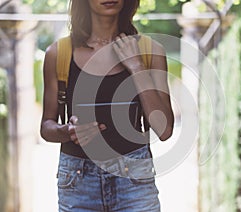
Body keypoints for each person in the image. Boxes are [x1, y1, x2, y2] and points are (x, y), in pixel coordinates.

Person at [40, 0, 174, 211]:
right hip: (78, 183)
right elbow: (46, 127)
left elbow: (164, 129)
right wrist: (67, 131)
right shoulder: (59, 54)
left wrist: (136, 66)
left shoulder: (150, 51)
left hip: (135, 184)